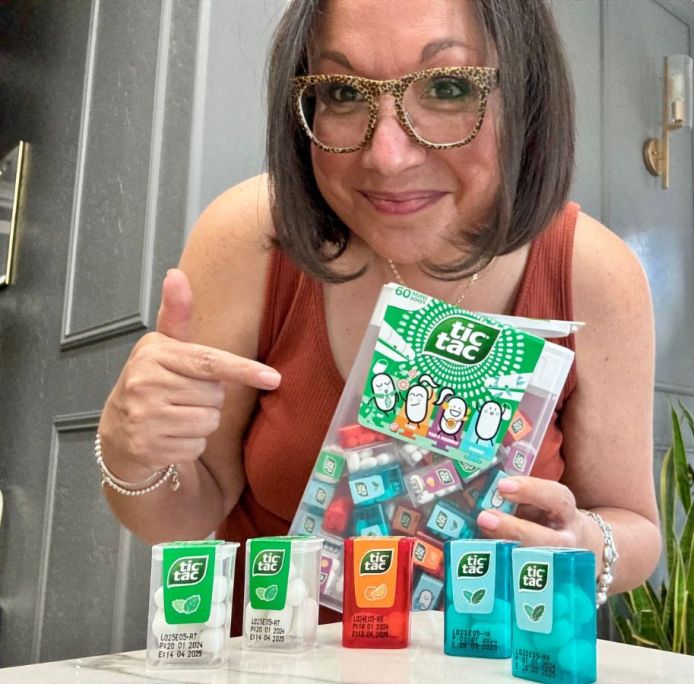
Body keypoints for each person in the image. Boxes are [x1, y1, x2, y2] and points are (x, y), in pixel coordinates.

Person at [98, 0, 660, 633]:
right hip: (277, 663)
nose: (387, 156)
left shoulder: (593, 272)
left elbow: (635, 528)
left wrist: (586, 543)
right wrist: (132, 456)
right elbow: (185, 509)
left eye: (449, 88)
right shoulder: (253, 237)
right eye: (341, 91)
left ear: (528, 96)